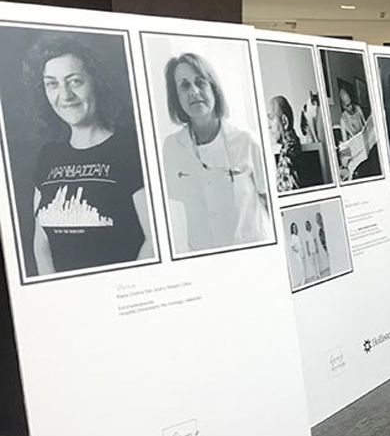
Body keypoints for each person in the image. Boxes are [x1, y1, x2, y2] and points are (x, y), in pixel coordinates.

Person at [24, 35, 154, 275]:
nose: (65, 95)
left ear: (96, 82)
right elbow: (41, 244)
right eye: (52, 84)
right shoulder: (48, 156)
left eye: (74, 81)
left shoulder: (132, 148)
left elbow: (154, 240)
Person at [161, 53, 270, 253]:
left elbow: (271, 203)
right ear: (176, 97)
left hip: (250, 252)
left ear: (213, 88)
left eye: (200, 82)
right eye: (184, 86)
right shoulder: (171, 148)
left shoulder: (247, 141)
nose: (193, 91)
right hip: (202, 257)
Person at [267, 95, 301, 193]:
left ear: (284, 121)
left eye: (271, 118)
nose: (268, 125)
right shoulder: (292, 145)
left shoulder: (288, 155)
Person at [287, 221, 305, 289]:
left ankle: (303, 281)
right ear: (292, 229)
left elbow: (300, 245)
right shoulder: (293, 237)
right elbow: (292, 247)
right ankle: (302, 283)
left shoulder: (297, 236)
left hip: (301, 253)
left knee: (302, 268)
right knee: (301, 269)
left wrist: (302, 252)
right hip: (298, 254)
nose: (294, 229)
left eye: (295, 227)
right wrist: (297, 251)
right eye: (293, 228)